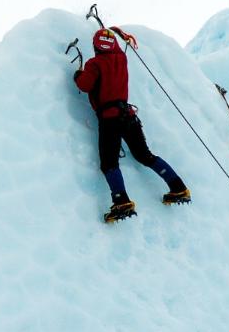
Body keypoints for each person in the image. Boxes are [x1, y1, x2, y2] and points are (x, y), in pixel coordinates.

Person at [73, 26, 191, 222]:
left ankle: (121, 201)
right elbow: (117, 49)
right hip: (128, 116)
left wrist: (77, 74)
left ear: (96, 47)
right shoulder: (122, 58)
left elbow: (85, 85)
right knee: (145, 155)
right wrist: (115, 32)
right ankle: (178, 187)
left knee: (109, 163)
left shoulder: (95, 63)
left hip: (110, 119)